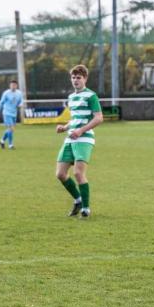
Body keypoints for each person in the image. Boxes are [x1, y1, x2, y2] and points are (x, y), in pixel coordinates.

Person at [55, 65, 104, 219]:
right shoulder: (71, 97)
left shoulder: (91, 96)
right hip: (70, 138)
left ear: (85, 79)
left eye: (79, 77)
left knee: (77, 173)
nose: (75, 80)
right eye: (73, 77)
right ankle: (78, 200)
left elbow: (99, 118)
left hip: (84, 138)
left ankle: (86, 208)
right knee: (61, 174)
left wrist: (81, 130)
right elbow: (76, 118)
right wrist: (65, 127)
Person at [0, 79, 24, 149]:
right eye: (12, 85)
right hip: (6, 113)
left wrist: (20, 105)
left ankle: (2, 141)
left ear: (16, 86)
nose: (13, 86)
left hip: (14, 113)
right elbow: (1, 103)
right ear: (10, 85)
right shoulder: (6, 93)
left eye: (14, 85)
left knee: (11, 130)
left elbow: (21, 101)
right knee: (11, 128)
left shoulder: (19, 93)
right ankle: (10, 145)